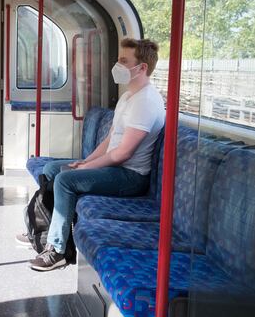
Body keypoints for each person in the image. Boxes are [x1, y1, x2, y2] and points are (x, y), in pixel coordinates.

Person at [25, 38, 166, 271]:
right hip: (114, 167)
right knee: (52, 169)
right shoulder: (128, 96)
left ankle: (58, 249)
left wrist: (86, 169)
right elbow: (111, 139)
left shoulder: (146, 102)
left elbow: (123, 153)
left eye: (123, 61)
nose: (117, 65)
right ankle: (44, 228)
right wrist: (87, 161)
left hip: (130, 176)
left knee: (65, 180)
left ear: (141, 68)